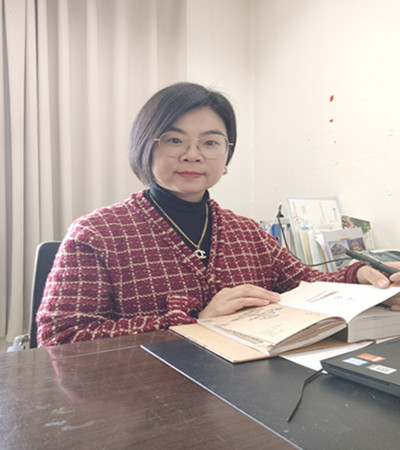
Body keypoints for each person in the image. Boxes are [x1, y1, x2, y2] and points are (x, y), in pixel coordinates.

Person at [36, 82, 400, 347]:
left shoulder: (246, 232)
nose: (193, 154)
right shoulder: (98, 233)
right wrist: (193, 321)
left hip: (247, 392)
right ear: (145, 147)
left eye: (211, 142)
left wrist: (360, 277)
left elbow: (305, 283)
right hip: (143, 403)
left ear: (226, 157)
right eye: (175, 140)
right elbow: (60, 338)